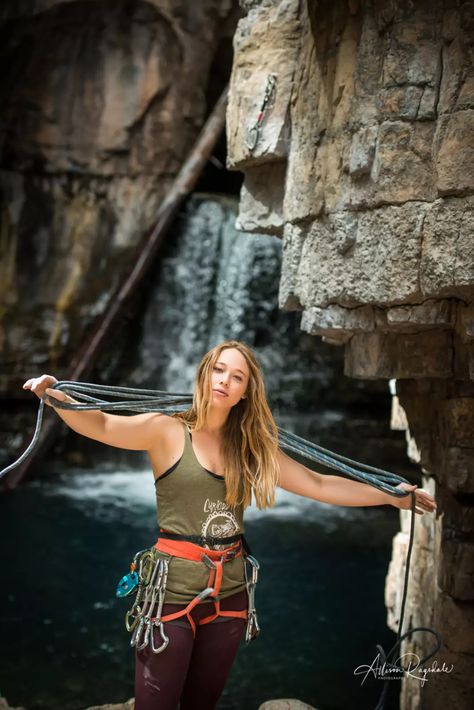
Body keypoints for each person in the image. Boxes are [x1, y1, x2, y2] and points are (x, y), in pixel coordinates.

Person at [23, 339, 437, 710]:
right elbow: (103, 425)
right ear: (205, 373)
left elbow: (317, 483)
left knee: (203, 703)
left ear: (245, 391)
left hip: (231, 595)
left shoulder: (252, 448)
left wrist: (387, 494)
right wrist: (54, 395)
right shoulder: (166, 430)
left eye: (237, 376)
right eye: (219, 370)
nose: (225, 381)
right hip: (171, 591)